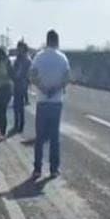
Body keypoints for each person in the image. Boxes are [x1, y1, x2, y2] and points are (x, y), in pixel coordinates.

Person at [30, 30, 70, 179]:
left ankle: (37, 169)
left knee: (39, 137)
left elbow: (32, 76)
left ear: (47, 41)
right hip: (56, 101)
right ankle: (54, 169)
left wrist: (43, 88)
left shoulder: (39, 57)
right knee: (54, 137)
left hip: (42, 101)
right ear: (57, 41)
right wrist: (55, 89)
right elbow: (66, 78)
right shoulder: (62, 58)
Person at [0, 46, 14, 136]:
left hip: (5, 88)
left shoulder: (7, 62)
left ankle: (3, 131)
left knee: (2, 110)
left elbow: (11, 75)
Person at [12, 41, 32, 133]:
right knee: (16, 106)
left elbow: (26, 73)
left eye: (20, 48)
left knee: (19, 106)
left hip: (22, 84)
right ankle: (17, 124)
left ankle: (20, 125)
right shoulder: (19, 59)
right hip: (17, 84)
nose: (18, 50)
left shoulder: (26, 59)